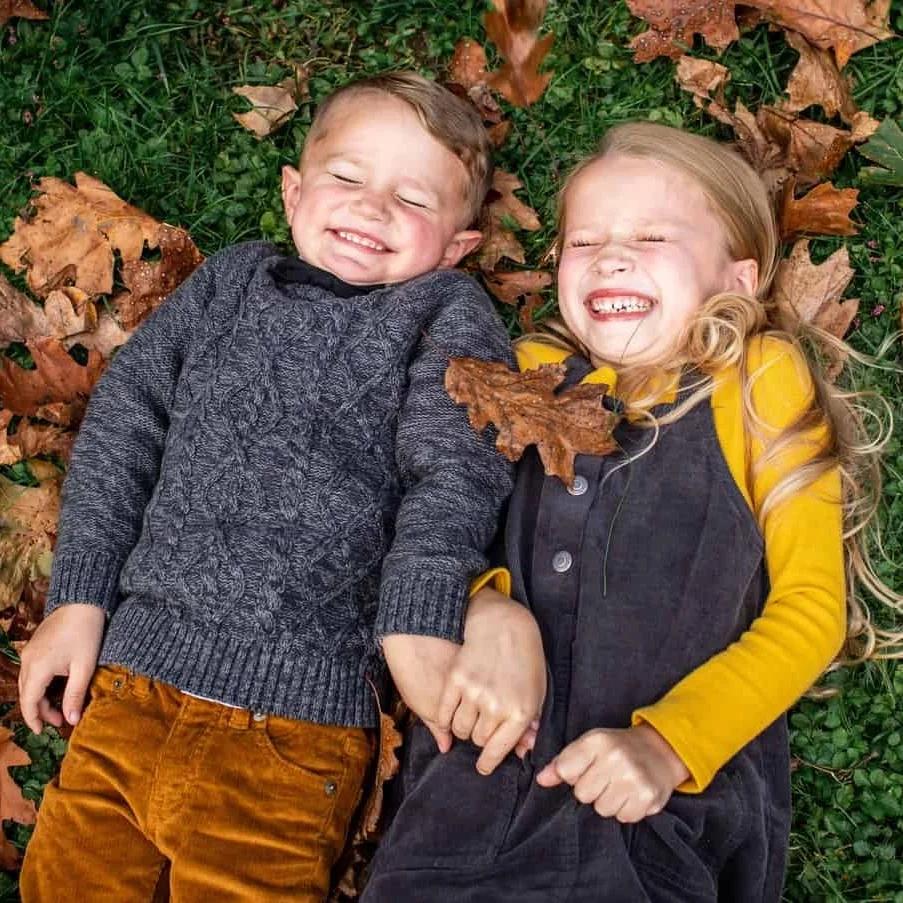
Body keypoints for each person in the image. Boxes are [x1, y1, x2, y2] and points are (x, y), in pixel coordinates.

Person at [17, 71, 529, 902]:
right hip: (127, 690)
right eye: (348, 177)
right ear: (294, 194)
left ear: (458, 246)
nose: (372, 208)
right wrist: (79, 597)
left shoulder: (442, 312)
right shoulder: (230, 281)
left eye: (414, 199)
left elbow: (454, 472)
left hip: (295, 727)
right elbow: (127, 418)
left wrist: (415, 620)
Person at [363, 121, 900, 901]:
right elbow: (429, 517)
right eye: (584, 242)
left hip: (655, 814)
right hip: (463, 798)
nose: (611, 255)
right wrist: (479, 609)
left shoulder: (754, 379)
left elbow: (810, 608)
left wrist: (670, 746)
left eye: (651, 236)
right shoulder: (517, 374)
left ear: (737, 278)